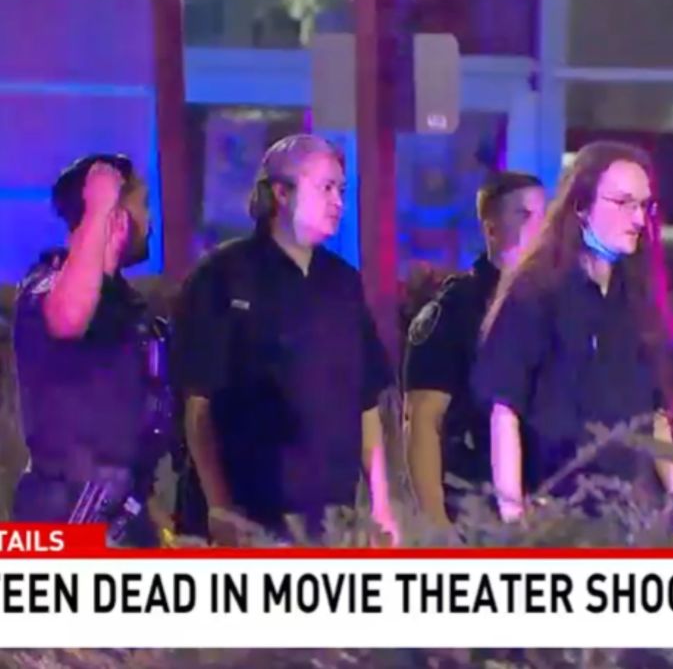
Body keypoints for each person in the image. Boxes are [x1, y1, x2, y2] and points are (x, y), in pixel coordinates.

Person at [170, 134, 399, 545]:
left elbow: (365, 403)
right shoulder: (222, 277)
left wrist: (381, 505)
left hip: (331, 519)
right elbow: (198, 404)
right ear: (281, 193)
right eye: (326, 188)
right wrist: (219, 506)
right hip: (248, 517)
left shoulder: (342, 283)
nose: (338, 203)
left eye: (341, 191)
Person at [472, 141, 673, 522]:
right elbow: (505, 409)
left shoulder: (636, 298)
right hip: (557, 513)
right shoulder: (536, 292)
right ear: (582, 207)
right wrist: (513, 515)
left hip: (632, 515)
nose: (638, 219)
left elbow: (655, 413)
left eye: (644, 206)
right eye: (623, 203)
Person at [11, 154, 166, 546]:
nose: (150, 222)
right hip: (65, 520)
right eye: (142, 205)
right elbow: (67, 317)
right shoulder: (47, 284)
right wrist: (99, 206)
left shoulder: (131, 308)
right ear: (117, 217)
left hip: (126, 516)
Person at [404, 171, 545, 526]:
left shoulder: (556, 304)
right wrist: (436, 526)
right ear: (491, 229)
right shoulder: (456, 309)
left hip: (547, 507)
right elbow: (423, 419)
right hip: (474, 506)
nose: (541, 227)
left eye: (546, 215)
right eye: (525, 215)